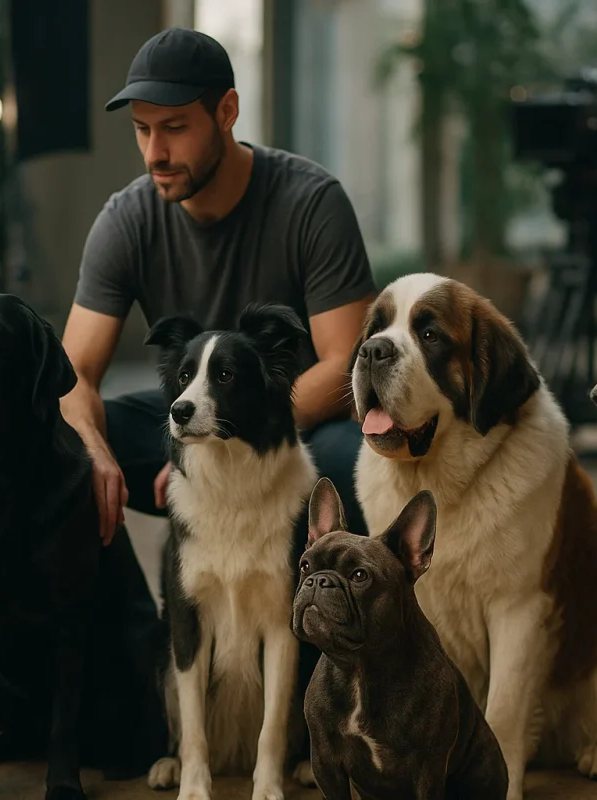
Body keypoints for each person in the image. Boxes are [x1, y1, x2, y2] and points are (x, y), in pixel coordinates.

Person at [59, 26, 376, 549]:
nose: (154, 153)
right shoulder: (126, 219)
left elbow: (344, 361)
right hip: (185, 421)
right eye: (142, 130)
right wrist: (95, 451)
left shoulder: (312, 202)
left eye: (174, 128)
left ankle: (329, 596)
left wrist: (228, 443)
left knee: (362, 462)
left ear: (227, 112)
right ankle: (130, 604)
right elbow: (73, 374)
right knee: (56, 447)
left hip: (293, 427)